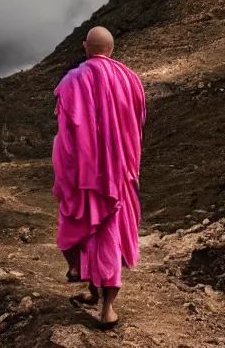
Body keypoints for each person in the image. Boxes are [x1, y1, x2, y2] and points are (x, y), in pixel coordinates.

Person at [53, 26, 146, 331]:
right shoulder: (131, 80)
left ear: (85, 46)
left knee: (84, 232)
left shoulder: (72, 80)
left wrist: (67, 169)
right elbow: (137, 123)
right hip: (119, 175)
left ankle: (91, 289)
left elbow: (67, 133)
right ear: (112, 48)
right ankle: (105, 305)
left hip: (85, 176)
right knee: (111, 236)